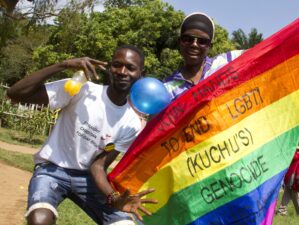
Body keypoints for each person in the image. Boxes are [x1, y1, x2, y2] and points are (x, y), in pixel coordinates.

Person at [7, 45, 157, 225]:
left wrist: (114, 198)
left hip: (87, 180)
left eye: (130, 67)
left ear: (141, 73)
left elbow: (98, 166)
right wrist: (63, 64)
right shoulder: (81, 89)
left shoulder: (131, 123)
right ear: (109, 68)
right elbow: (15, 93)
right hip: (52, 170)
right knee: (39, 219)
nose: (122, 71)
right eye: (117, 65)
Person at [163, 12, 244, 100]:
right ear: (179, 42)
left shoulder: (223, 63)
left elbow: (257, 54)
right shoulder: (167, 89)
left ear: (210, 46)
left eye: (202, 41)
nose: (194, 45)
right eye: (187, 39)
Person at [275, 142, 299, 218]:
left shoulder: (295, 156)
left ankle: (281, 211)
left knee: (287, 195)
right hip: (296, 180)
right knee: (298, 196)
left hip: (289, 179)